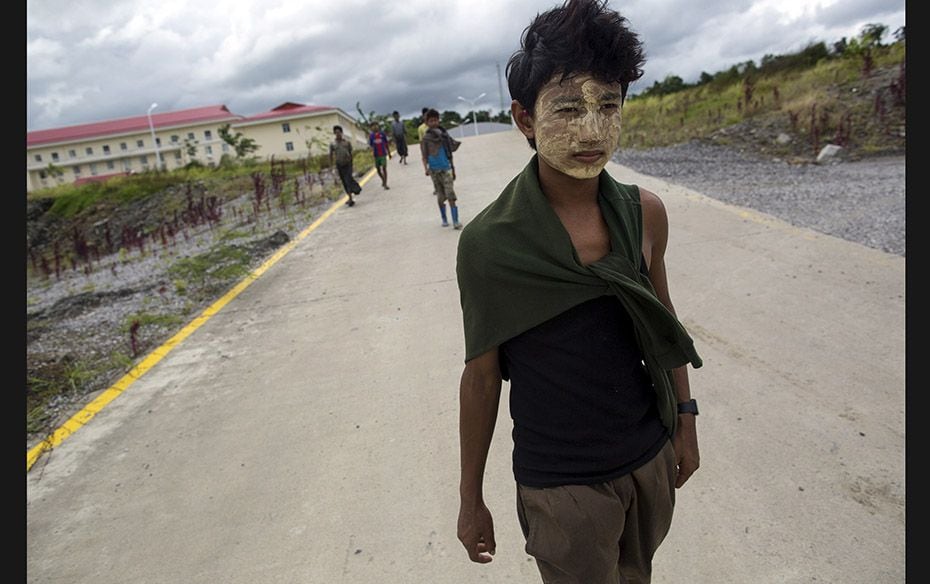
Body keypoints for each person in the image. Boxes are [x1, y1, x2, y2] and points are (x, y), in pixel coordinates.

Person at [454, 1, 703, 582]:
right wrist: (470, 497)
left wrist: (686, 422)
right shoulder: (490, 245)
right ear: (524, 118)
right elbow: (482, 377)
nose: (592, 131)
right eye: (568, 109)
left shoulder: (645, 214)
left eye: (608, 106)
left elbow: (664, 327)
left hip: (648, 458)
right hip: (562, 485)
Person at [420, 108, 462, 229]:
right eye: (431, 121)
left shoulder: (444, 136)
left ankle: (455, 221)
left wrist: (453, 169)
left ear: (438, 120)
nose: (433, 123)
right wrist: (426, 169)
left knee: (450, 194)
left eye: (435, 120)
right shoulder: (426, 139)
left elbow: (450, 154)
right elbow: (424, 156)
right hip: (434, 171)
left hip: (446, 169)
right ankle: (444, 218)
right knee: (440, 196)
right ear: (427, 123)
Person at [329, 125, 361, 207]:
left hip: (348, 164)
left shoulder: (346, 143)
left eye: (339, 132)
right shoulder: (333, 144)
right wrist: (331, 166)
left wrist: (351, 163)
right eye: (336, 133)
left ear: (341, 133)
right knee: (344, 181)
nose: (338, 134)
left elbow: (350, 153)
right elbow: (331, 155)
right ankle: (350, 196)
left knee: (348, 179)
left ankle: (354, 191)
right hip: (339, 165)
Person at [369, 121, 392, 189]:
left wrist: (389, 153)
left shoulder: (382, 134)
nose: (375, 127)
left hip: (383, 154)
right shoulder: (371, 136)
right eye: (373, 126)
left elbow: (386, 143)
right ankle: (383, 179)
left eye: (376, 125)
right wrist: (372, 152)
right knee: (378, 170)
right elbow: (371, 146)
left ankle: (385, 183)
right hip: (376, 155)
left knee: (384, 168)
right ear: (371, 128)